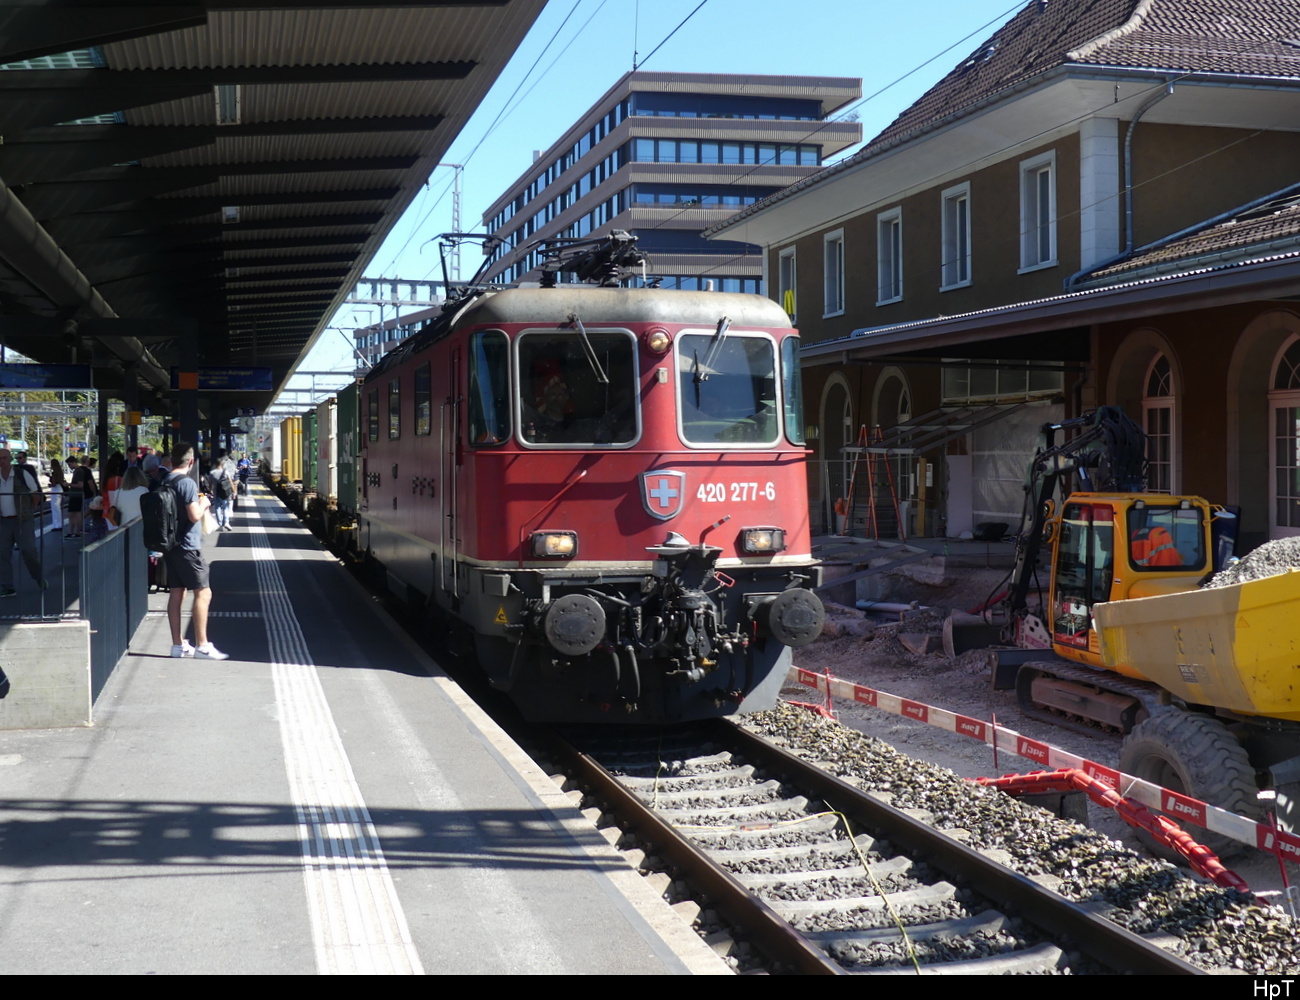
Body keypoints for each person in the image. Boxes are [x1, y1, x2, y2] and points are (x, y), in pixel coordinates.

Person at [163, 443, 228, 660]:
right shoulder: (187, 483)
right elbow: (193, 515)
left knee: (176, 593)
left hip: (170, 545)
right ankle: (202, 646)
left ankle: (177, 645)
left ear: (171, 460)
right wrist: (205, 503)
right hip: (188, 546)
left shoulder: (164, 480)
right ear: (191, 462)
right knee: (203, 592)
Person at [0, 448, 46, 597]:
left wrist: (28, 511)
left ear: (10, 459)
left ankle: (38, 577)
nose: (2, 461)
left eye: (5, 458)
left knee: (28, 551)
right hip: (3, 521)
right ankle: (7, 586)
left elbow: (35, 494)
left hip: (22, 520)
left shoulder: (21, 474)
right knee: (2, 553)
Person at [67, 454, 96, 538]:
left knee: (78, 513)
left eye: (69, 464)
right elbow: (90, 483)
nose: (69, 466)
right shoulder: (84, 470)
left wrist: (68, 484)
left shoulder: (79, 471)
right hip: (83, 494)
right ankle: (78, 530)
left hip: (79, 495)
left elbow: (80, 484)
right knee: (81, 513)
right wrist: (94, 492)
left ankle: (78, 531)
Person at [208, 449, 236, 532]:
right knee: (225, 508)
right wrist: (234, 491)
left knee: (217, 508)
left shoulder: (212, 473)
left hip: (216, 492)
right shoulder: (226, 472)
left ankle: (219, 524)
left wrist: (210, 491)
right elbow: (231, 482)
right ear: (222, 464)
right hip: (225, 493)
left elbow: (210, 483)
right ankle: (226, 522)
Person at [47, 459, 66, 534]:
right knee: (57, 508)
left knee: (55, 508)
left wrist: (50, 484)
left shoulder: (54, 472)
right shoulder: (60, 472)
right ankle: (59, 524)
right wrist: (49, 476)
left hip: (55, 489)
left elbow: (54, 483)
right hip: (60, 489)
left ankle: (57, 525)